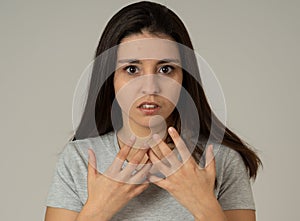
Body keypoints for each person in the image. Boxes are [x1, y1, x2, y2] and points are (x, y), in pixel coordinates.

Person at [44, 1, 262, 221]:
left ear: (184, 77)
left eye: (165, 69)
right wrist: (97, 210)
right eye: (132, 69)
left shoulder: (221, 161)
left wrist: (204, 205)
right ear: (110, 78)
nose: (150, 87)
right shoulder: (79, 159)